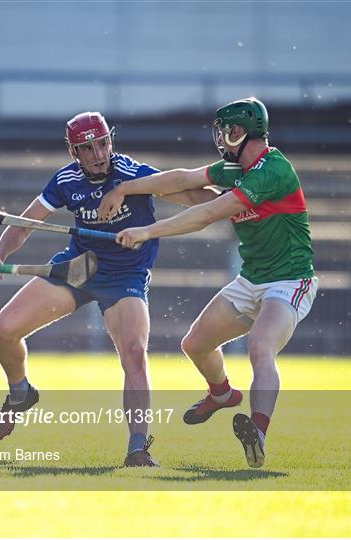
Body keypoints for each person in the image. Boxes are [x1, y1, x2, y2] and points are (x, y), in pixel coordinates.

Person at [0, 111, 213, 467]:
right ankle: (20, 393)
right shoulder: (66, 180)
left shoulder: (133, 174)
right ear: (73, 151)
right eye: (87, 148)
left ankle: (138, 448)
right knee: (3, 329)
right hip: (77, 268)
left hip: (125, 277)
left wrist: (237, 199)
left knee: (134, 352)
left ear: (110, 140)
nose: (98, 154)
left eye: (102, 144)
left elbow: (194, 196)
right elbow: (23, 224)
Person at [98, 97, 318, 468]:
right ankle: (221, 394)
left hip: (290, 280)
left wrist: (146, 231)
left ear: (243, 131)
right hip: (251, 280)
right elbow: (181, 179)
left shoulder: (271, 171)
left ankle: (258, 433)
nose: (221, 138)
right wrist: (125, 189)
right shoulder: (236, 169)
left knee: (260, 346)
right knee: (195, 344)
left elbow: (207, 213)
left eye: (227, 130)